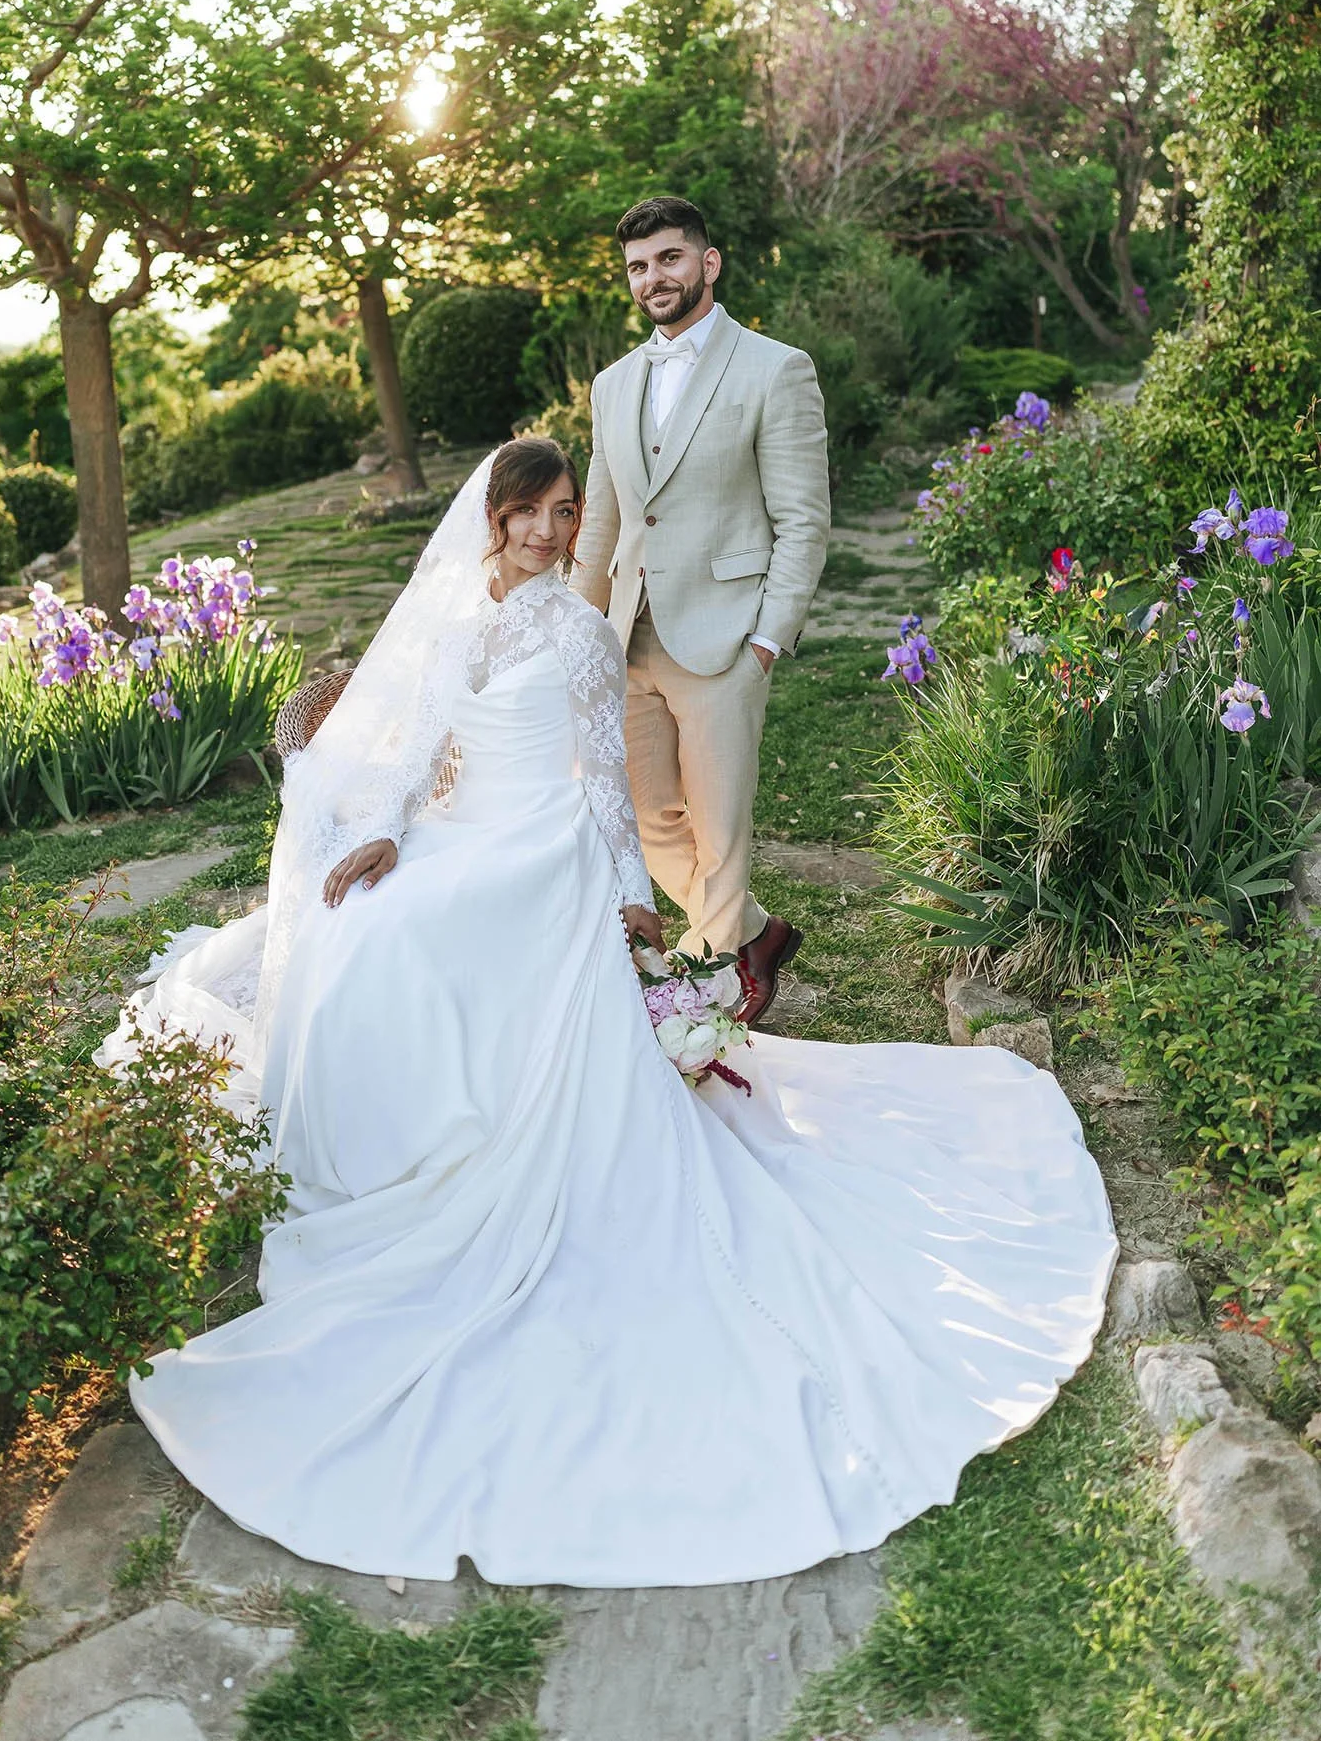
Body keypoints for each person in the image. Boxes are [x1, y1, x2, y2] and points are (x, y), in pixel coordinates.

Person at [98, 435, 1115, 1590]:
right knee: (369, 926)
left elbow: (600, 777)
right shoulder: (456, 614)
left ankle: (478, 1152)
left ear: (581, 523)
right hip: (453, 831)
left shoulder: (578, 629)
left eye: (564, 512)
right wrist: (386, 824)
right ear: (492, 516)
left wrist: (634, 898)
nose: (543, 531)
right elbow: (423, 742)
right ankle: (378, 1159)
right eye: (526, 511)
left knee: (439, 933)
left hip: (543, 849)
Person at [574, 196, 830, 1024]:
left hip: (726, 638)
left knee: (721, 829)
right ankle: (753, 932)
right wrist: (581, 637)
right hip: (626, 637)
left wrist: (766, 639)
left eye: (670, 259)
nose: (655, 278)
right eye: (640, 267)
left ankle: (716, 1001)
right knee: (650, 820)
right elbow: (601, 523)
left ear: (708, 264)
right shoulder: (612, 386)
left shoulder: (775, 368)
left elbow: (803, 520)